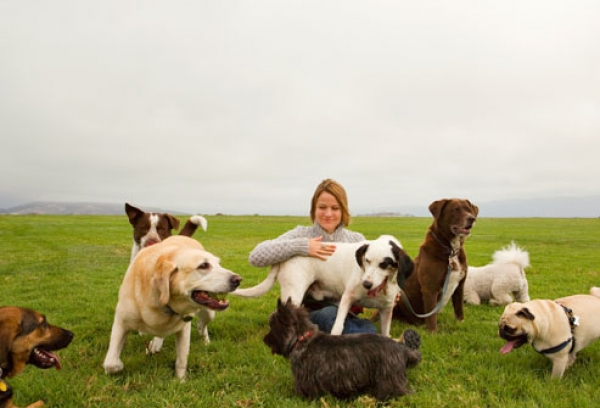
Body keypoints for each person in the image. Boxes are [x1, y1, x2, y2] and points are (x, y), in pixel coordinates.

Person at [248, 178, 377, 334]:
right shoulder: (301, 234)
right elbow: (256, 256)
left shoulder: (356, 241)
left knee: (349, 321)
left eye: (335, 208)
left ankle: (367, 334)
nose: (328, 214)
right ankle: (369, 338)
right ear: (313, 209)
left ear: (343, 210)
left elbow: (366, 279)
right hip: (307, 310)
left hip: (343, 309)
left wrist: (386, 292)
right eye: (322, 207)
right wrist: (302, 246)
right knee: (328, 316)